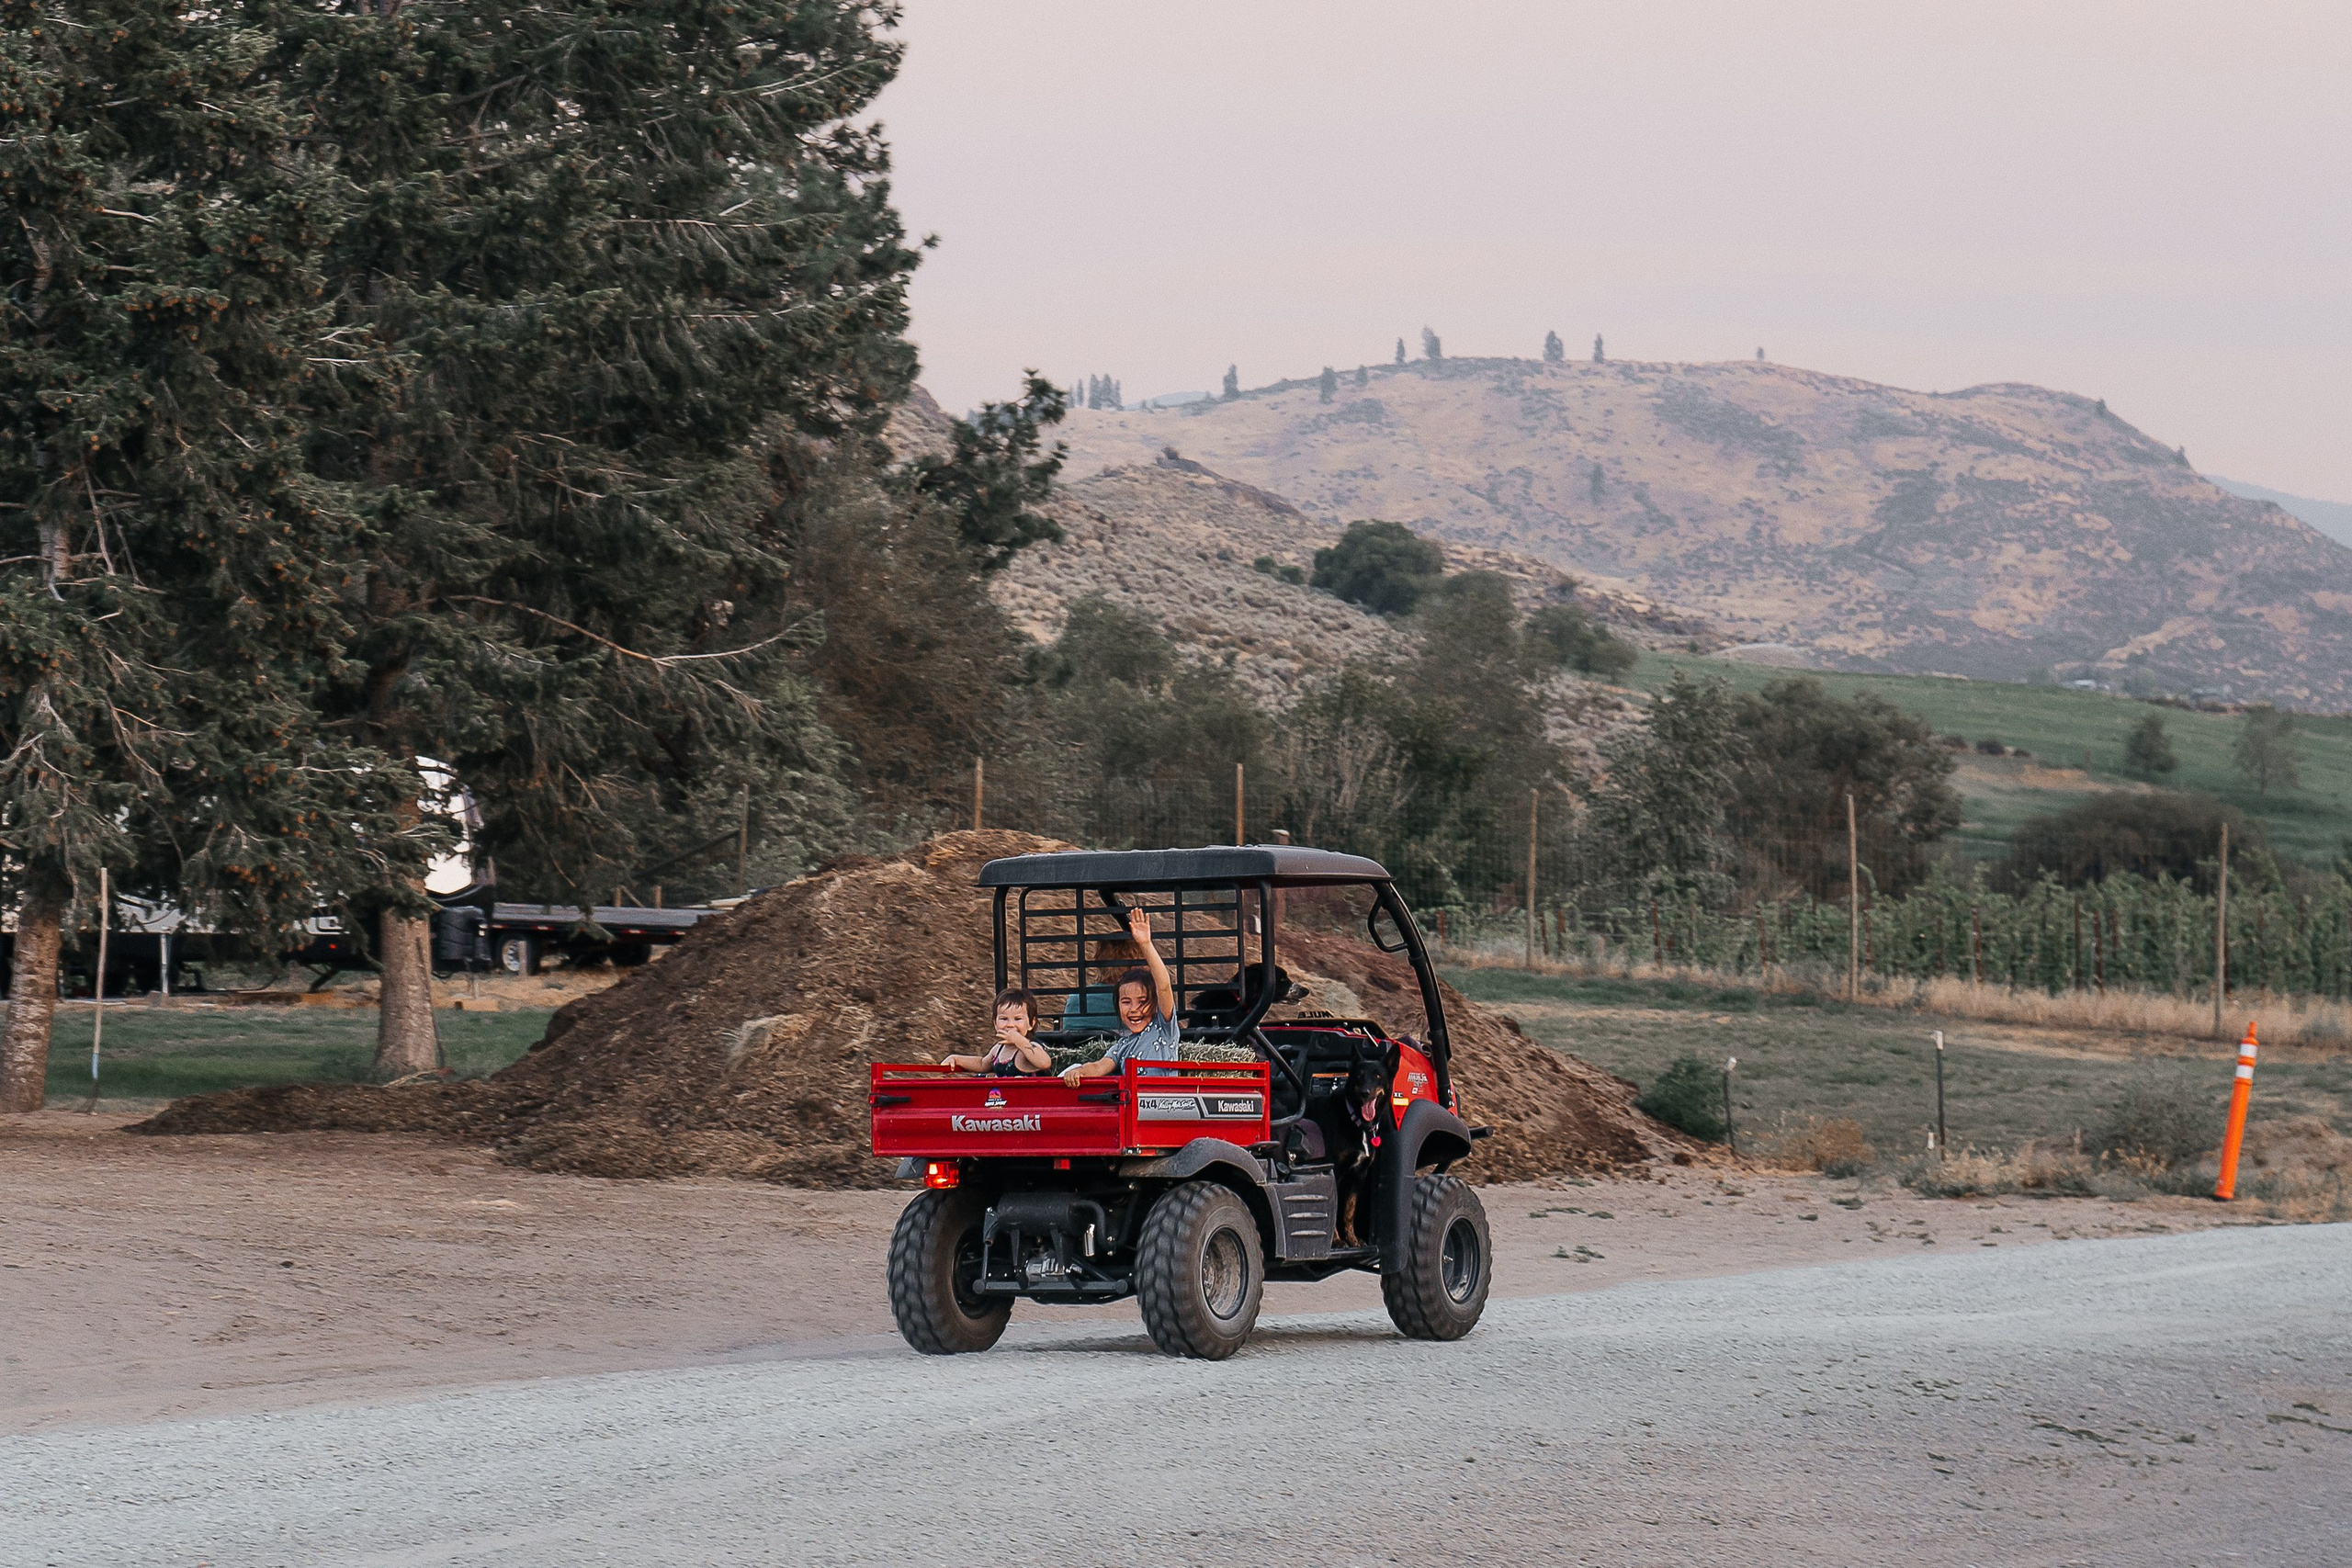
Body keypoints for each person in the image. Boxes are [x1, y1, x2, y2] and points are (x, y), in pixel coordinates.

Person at [1062, 906, 1181, 1085]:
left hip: (1163, 1107)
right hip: (1134, 1109)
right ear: (1117, 1005)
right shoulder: (1122, 1046)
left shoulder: (1164, 1029)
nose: (1134, 1009)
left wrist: (1146, 945)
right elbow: (1098, 1067)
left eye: (1142, 1001)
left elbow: (1163, 986)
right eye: (1126, 1002)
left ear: (1155, 1003)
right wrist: (1078, 1071)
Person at [939, 987, 1054, 1076]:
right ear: (995, 1023)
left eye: (1018, 1019)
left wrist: (1020, 1041)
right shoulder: (998, 1049)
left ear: (1031, 1024)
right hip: (1001, 1101)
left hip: (1026, 1102)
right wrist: (957, 1059)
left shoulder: (1029, 1047)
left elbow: (1044, 1063)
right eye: (1004, 1019)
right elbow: (982, 1064)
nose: (1010, 1025)